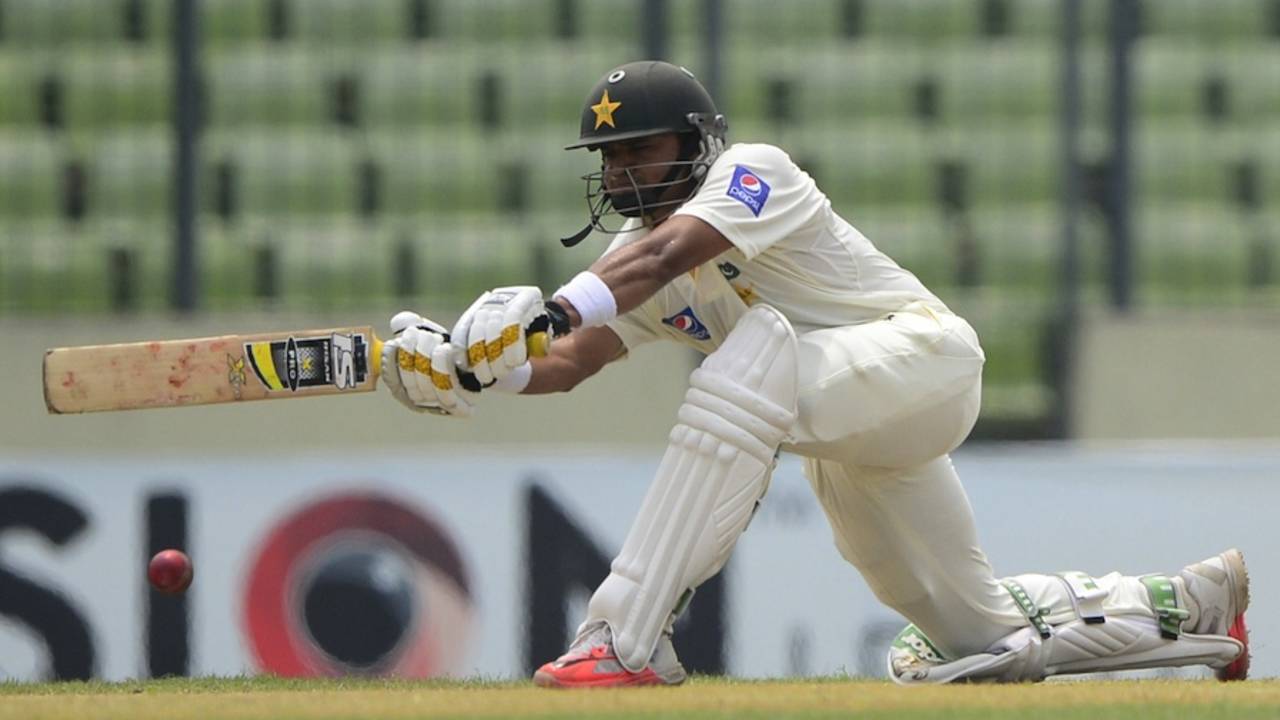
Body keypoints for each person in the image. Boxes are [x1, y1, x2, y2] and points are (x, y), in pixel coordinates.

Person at [380, 60, 1250, 687]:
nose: (616, 174)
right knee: (974, 639)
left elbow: (662, 261)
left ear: (692, 143)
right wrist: (477, 376)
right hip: (851, 432)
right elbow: (569, 363)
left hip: (924, 361)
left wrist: (553, 309)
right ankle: (1188, 604)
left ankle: (623, 634)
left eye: (635, 152)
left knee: (754, 347)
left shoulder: (754, 173)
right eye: (606, 159)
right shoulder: (627, 262)